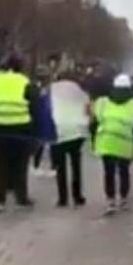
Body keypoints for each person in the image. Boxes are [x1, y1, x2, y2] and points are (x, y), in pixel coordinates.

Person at [0, 57, 39, 213]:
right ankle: (21, 197)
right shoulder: (26, 83)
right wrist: (34, 131)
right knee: (20, 165)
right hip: (21, 129)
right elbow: (34, 108)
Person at [92, 74, 133, 215]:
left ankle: (110, 201)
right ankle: (124, 200)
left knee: (108, 172)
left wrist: (93, 142)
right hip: (125, 143)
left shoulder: (102, 103)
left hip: (106, 142)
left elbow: (94, 123)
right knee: (124, 172)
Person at [49, 75, 91, 207]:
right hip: (77, 131)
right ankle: (77, 196)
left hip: (58, 130)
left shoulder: (50, 90)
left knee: (60, 167)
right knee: (76, 164)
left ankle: (62, 198)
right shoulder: (80, 91)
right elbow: (87, 110)